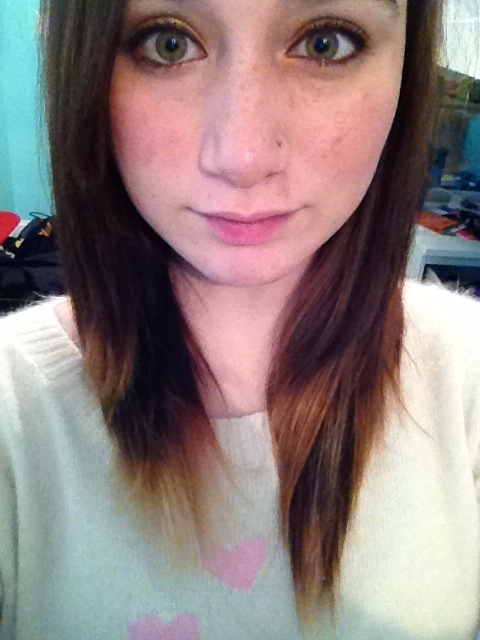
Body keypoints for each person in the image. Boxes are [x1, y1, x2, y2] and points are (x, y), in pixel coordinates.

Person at [1, 0, 479, 638]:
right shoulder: (13, 414)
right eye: (168, 43)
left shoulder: (466, 375)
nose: (243, 156)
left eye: (326, 43)